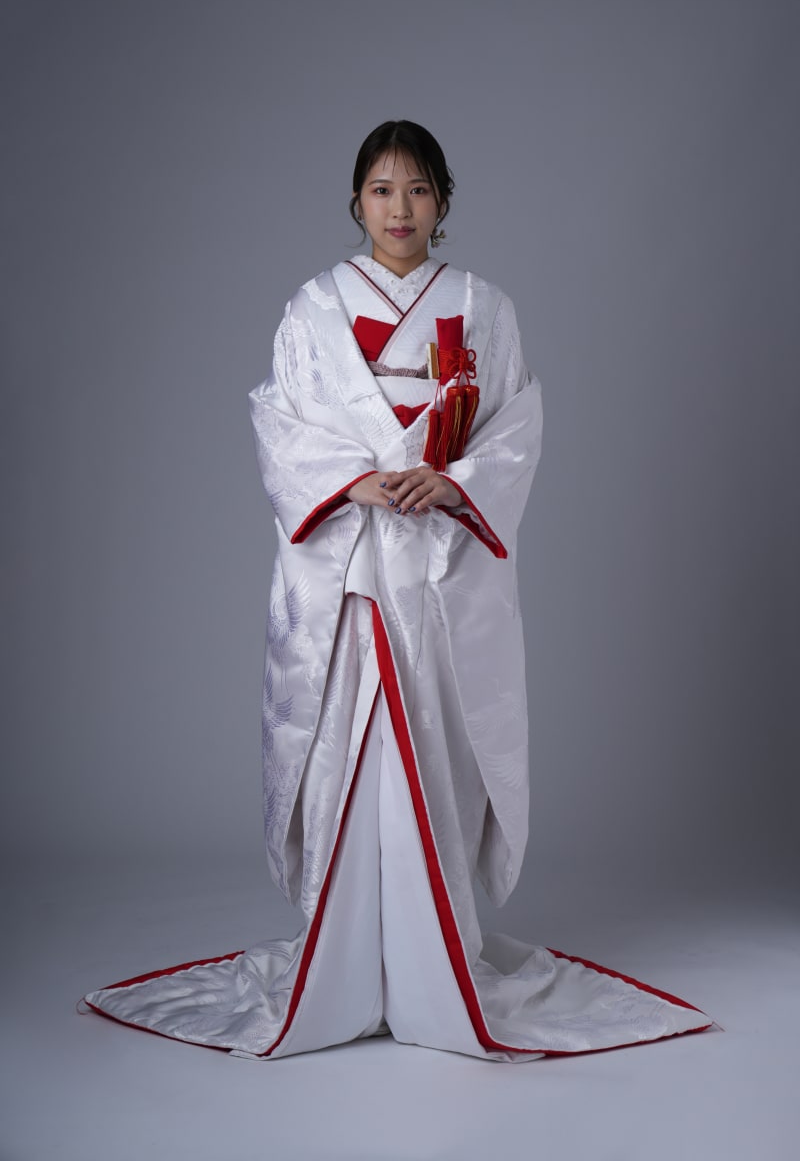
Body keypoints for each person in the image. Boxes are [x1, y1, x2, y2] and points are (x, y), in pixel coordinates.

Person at [85, 121, 711, 1059]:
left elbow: (515, 425)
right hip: (352, 563)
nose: (400, 209)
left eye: (417, 190)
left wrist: (452, 484)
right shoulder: (313, 308)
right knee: (350, 743)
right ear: (356, 201)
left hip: (437, 572)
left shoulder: (483, 307)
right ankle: (344, 965)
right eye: (381, 190)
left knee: (434, 748)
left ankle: (430, 961)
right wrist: (357, 481)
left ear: (442, 202)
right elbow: (281, 422)